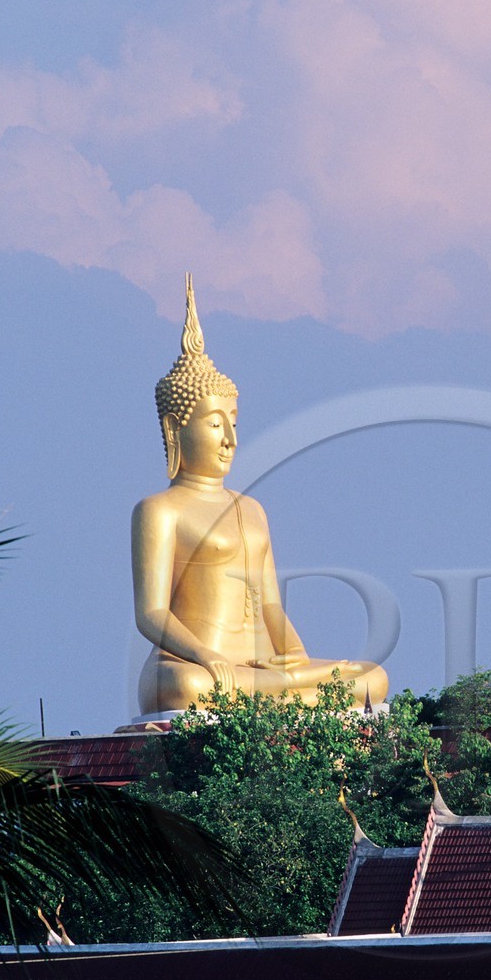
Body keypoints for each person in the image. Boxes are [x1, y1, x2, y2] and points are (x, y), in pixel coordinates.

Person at [132, 276, 388, 715]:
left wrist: (296, 658)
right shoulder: (159, 511)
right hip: (192, 669)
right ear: (176, 428)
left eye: (234, 422)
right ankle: (279, 695)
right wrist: (206, 657)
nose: (229, 438)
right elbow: (151, 614)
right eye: (215, 424)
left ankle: (282, 693)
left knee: (370, 679)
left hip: (260, 671)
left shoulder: (251, 510)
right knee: (192, 688)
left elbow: (269, 602)